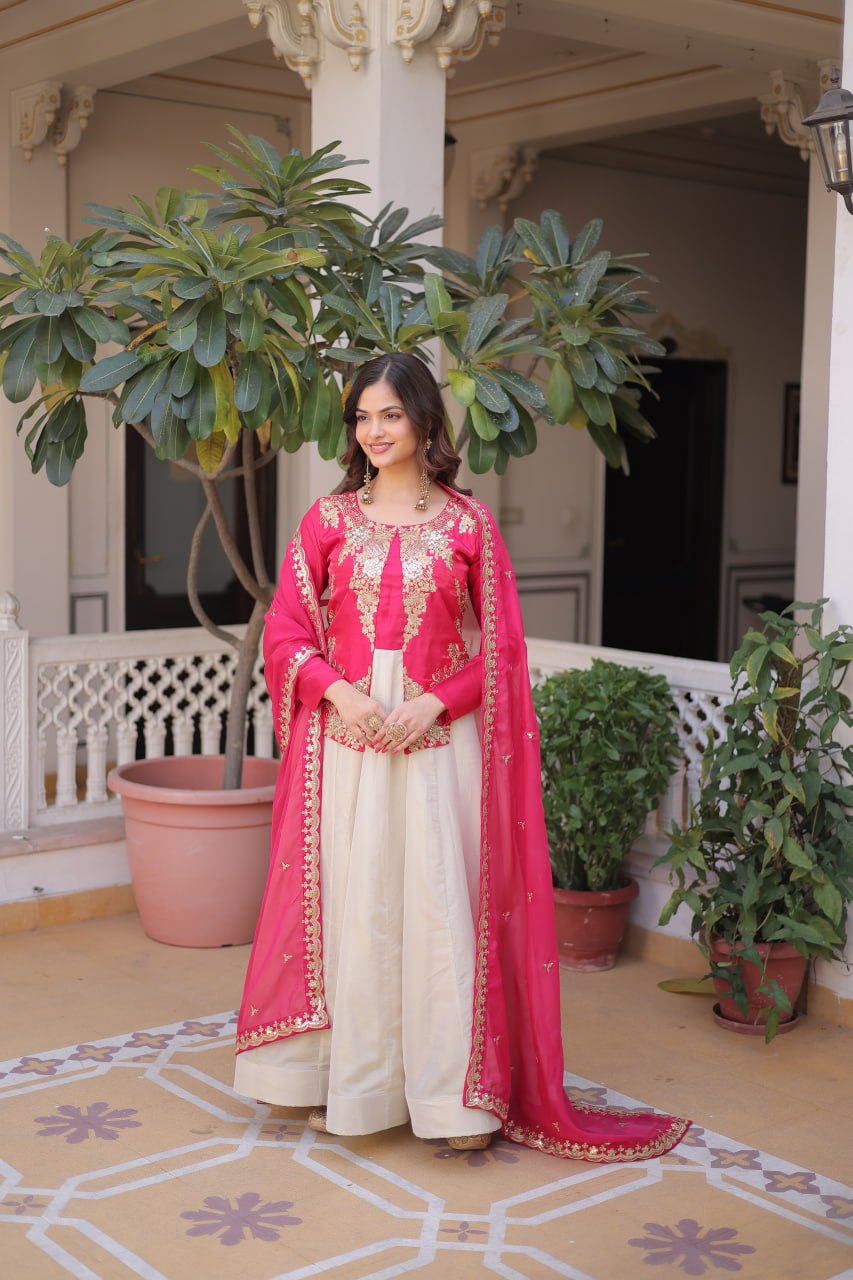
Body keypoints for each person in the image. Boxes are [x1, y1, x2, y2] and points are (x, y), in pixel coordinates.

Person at [234, 352, 689, 1160]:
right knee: (358, 904)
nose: (373, 431)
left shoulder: (469, 524)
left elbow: (504, 651)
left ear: (423, 421)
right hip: (348, 744)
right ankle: (353, 1085)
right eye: (361, 418)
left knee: (438, 908)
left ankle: (451, 1099)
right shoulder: (328, 520)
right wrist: (343, 696)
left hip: (440, 743)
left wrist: (430, 702)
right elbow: (286, 631)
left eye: (390, 415)